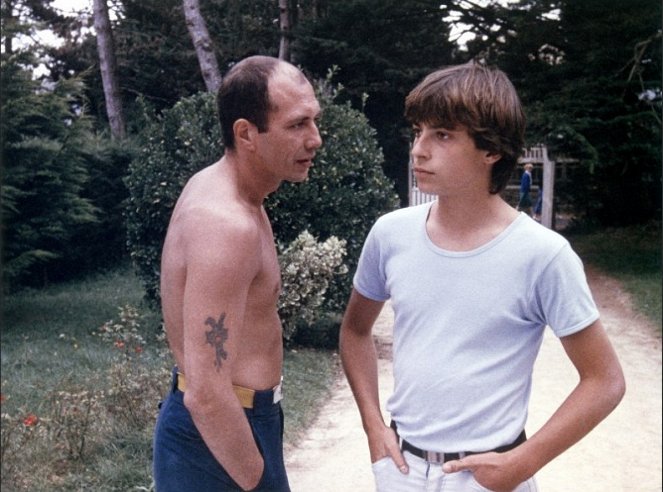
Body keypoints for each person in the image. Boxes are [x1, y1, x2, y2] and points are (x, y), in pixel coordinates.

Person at [340, 61, 625, 492]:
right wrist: (373, 427)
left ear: (491, 149)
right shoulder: (390, 234)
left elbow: (605, 380)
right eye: (418, 131)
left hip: (489, 478)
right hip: (402, 469)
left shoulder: (543, 256)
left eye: (443, 134)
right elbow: (355, 331)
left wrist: (523, 462)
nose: (419, 149)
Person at [153, 55, 322, 491]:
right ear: (246, 133)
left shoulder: (226, 191)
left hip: (234, 424)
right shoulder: (226, 225)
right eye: (297, 125)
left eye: (314, 122)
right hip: (218, 437)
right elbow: (207, 391)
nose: (315, 140)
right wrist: (258, 477)